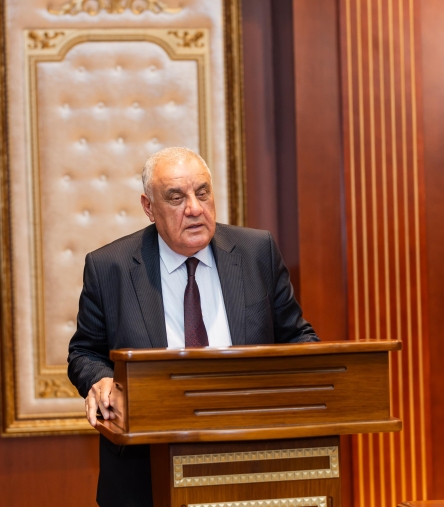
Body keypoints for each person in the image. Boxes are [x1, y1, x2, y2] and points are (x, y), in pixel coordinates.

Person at [67, 146, 319, 507]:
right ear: (149, 207)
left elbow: (298, 337)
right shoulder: (111, 267)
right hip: (145, 471)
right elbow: (84, 352)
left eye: (202, 193)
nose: (195, 208)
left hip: (253, 462)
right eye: (176, 197)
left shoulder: (256, 252)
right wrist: (101, 380)